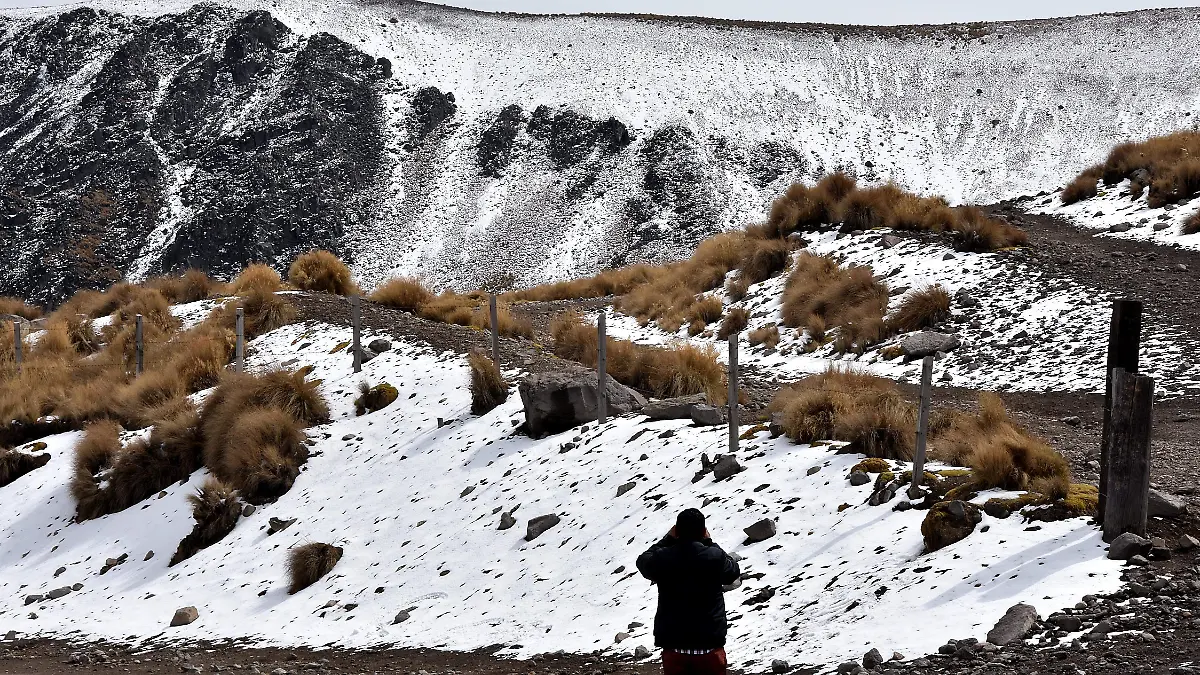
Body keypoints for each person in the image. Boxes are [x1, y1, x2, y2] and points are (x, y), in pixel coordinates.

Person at [636, 508, 741, 675]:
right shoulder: (715, 556)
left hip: (675, 647)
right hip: (710, 646)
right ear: (703, 531)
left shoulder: (663, 557)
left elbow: (643, 560)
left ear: (677, 531)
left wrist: (667, 539)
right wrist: (710, 542)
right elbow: (732, 572)